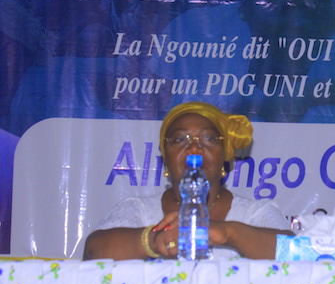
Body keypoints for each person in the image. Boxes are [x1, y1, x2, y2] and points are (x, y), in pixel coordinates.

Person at [83, 102, 293, 260]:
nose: (194, 148)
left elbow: (296, 256)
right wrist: (152, 240)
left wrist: (228, 233)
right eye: (179, 139)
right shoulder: (139, 210)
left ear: (225, 155)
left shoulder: (254, 213)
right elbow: (93, 252)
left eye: (209, 138)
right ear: (165, 156)